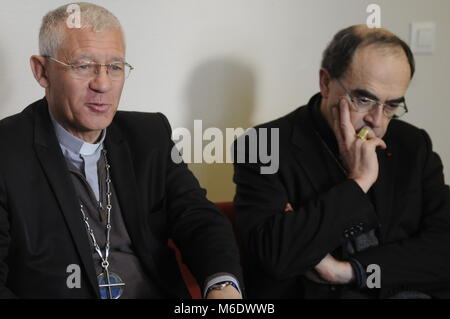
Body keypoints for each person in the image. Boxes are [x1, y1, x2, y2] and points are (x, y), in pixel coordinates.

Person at [0, 2, 242, 299]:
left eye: (115, 67)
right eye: (83, 65)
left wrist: (222, 285)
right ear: (42, 71)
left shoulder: (150, 135)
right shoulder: (7, 151)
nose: (102, 84)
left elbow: (198, 218)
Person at [233, 25, 450, 299]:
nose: (378, 120)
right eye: (364, 99)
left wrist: (350, 271)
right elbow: (276, 256)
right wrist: (358, 183)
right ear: (325, 83)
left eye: (392, 105)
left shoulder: (413, 143)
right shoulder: (263, 144)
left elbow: (443, 248)